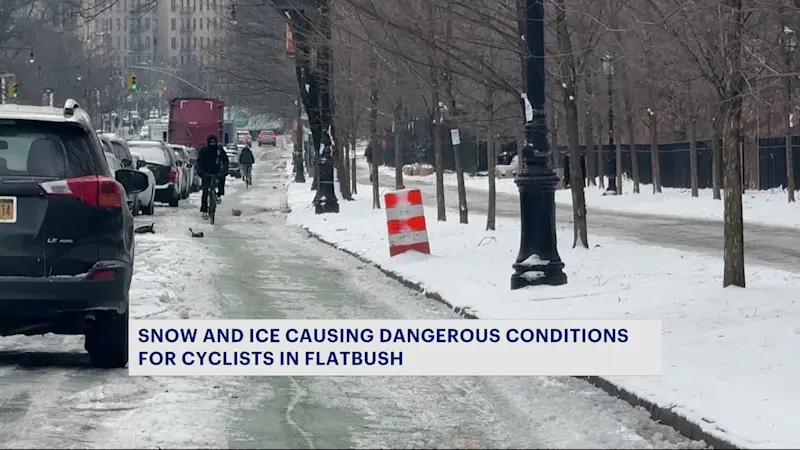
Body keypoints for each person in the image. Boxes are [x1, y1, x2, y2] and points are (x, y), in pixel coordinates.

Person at [196, 135, 229, 219]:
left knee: (221, 179)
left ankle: (219, 195)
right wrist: (200, 172)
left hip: (216, 171)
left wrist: (224, 171)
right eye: (211, 142)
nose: (212, 144)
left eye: (214, 142)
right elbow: (199, 162)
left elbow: (225, 161)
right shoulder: (204, 151)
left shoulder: (219, 150)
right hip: (205, 172)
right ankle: (204, 210)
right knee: (205, 191)